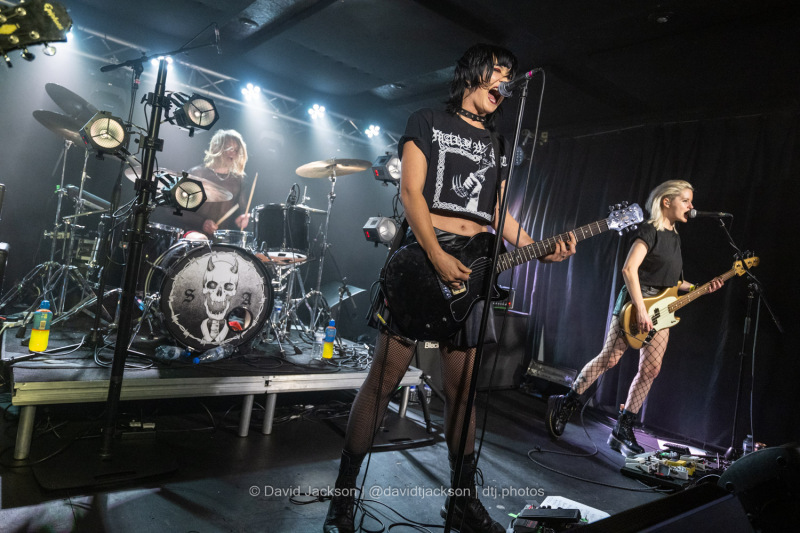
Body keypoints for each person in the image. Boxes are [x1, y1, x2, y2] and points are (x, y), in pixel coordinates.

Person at [323, 44, 576, 533]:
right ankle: (342, 500)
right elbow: (411, 192)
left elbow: (504, 214)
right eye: (496, 73)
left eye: (508, 76)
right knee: (384, 379)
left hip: (474, 269)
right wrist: (437, 255)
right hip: (423, 257)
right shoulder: (427, 121)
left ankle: (461, 502)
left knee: (463, 395)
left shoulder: (500, 146)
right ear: (472, 74)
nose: (503, 84)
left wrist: (540, 247)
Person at [545, 179, 724, 457]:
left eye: (691, 201)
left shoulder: (675, 237)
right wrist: (640, 308)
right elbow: (630, 270)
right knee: (610, 358)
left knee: (651, 370)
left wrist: (702, 286)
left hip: (662, 309)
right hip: (635, 302)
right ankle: (566, 402)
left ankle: (623, 427)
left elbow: (674, 283)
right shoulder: (648, 231)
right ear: (667, 201)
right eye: (686, 200)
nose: (691, 206)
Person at [151, 129, 251, 239]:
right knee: (201, 239)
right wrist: (202, 222)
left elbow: (240, 210)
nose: (233, 153)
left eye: (236, 150)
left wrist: (242, 219)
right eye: (229, 148)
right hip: (191, 231)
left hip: (220, 236)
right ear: (216, 147)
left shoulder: (239, 179)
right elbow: (173, 208)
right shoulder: (197, 174)